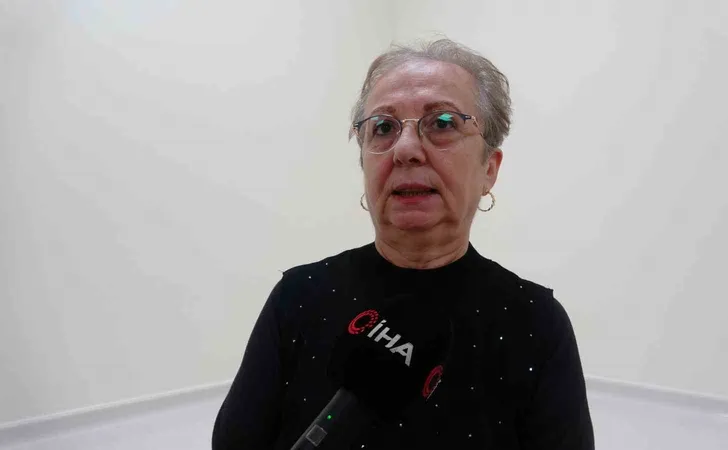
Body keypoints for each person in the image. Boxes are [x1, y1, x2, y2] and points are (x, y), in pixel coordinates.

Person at [212, 38, 594, 450]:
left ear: (489, 169)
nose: (406, 149)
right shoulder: (297, 298)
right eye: (383, 127)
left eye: (443, 122)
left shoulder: (537, 323)